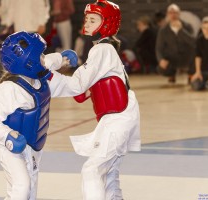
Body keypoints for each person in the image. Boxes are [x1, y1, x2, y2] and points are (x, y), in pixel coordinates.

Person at [47, 1, 141, 199]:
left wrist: (47, 74)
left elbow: (76, 86)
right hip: (119, 116)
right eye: (86, 19)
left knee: (92, 170)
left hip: (118, 119)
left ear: (106, 24)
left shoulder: (101, 50)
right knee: (109, 174)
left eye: (93, 20)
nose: (87, 24)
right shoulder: (106, 49)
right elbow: (83, 90)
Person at [0, 31, 73, 199]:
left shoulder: (37, 79)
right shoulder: (8, 89)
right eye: (40, 55)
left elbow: (48, 61)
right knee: (21, 185)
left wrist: (62, 59)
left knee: (30, 188)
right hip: (8, 145)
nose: (43, 59)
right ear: (27, 62)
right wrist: (7, 136)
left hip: (31, 144)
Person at [156, 3, 195, 83]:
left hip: (187, 57)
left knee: (196, 55)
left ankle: (191, 74)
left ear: (179, 13)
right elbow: (159, 48)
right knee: (161, 68)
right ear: (167, 14)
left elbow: (193, 42)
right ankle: (171, 74)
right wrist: (161, 60)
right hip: (172, 58)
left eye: (175, 12)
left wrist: (181, 31)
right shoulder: (163, 30)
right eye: (171, 13)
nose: (173, 15)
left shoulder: (188, 26)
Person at [190, 16, 208, 91]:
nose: (206, 30)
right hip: (203, 71)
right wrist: (198, 72)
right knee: (196, 86)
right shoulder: (199, 40)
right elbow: (198, 56)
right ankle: (206, 83)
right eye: (204, 28)